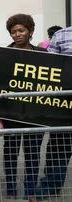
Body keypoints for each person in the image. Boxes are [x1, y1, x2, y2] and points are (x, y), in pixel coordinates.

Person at [0, 14, 46, 201]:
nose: (17, 35)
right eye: (13, 32)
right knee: (10, 153)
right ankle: (10, 190)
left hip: (35, 116)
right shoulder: (3, 54)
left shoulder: (43, 55)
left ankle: (31, 192)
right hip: (10, 114)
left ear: (30, 31)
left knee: (33, 154)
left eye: (21, 30)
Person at [36, 26, 72, 198]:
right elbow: (49, 68)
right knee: (59, 149)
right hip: (64, 107)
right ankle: (50, 187)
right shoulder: (61, 35)